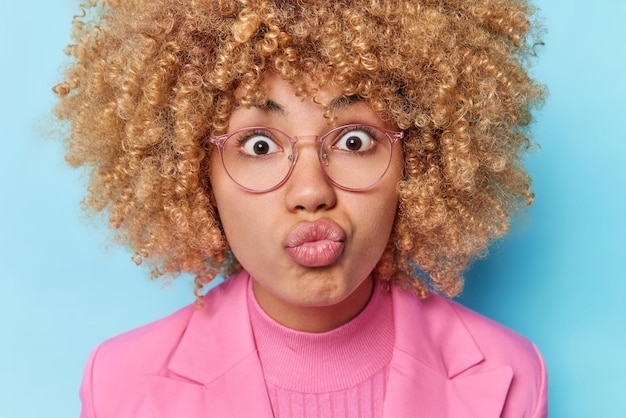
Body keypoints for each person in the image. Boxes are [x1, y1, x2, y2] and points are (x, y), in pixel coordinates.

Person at [53, 0, 547, 416]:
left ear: (419, 161)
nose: (311, 192)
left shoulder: (510, 377)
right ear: (193, 171)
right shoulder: (120, 386)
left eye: (355, 140)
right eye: (260, 146)